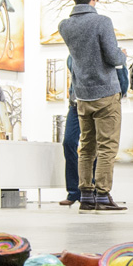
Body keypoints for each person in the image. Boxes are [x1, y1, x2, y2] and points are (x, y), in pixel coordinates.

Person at [59, 0, 127, 213]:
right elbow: (113, 57)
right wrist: (122, 54)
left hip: (82, 95)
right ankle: (103, 195)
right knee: (107, 147)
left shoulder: (65, 25)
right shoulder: (102, 22)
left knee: (86, 147)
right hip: (106, 92)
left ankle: (86, 195)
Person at [58, 58, 81, 206]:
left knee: (93, 146)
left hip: (93, 103)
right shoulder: (72, 56)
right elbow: (73, 67)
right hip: (75, 105)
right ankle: (73, 191)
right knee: (68, 142)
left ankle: (91, 190)